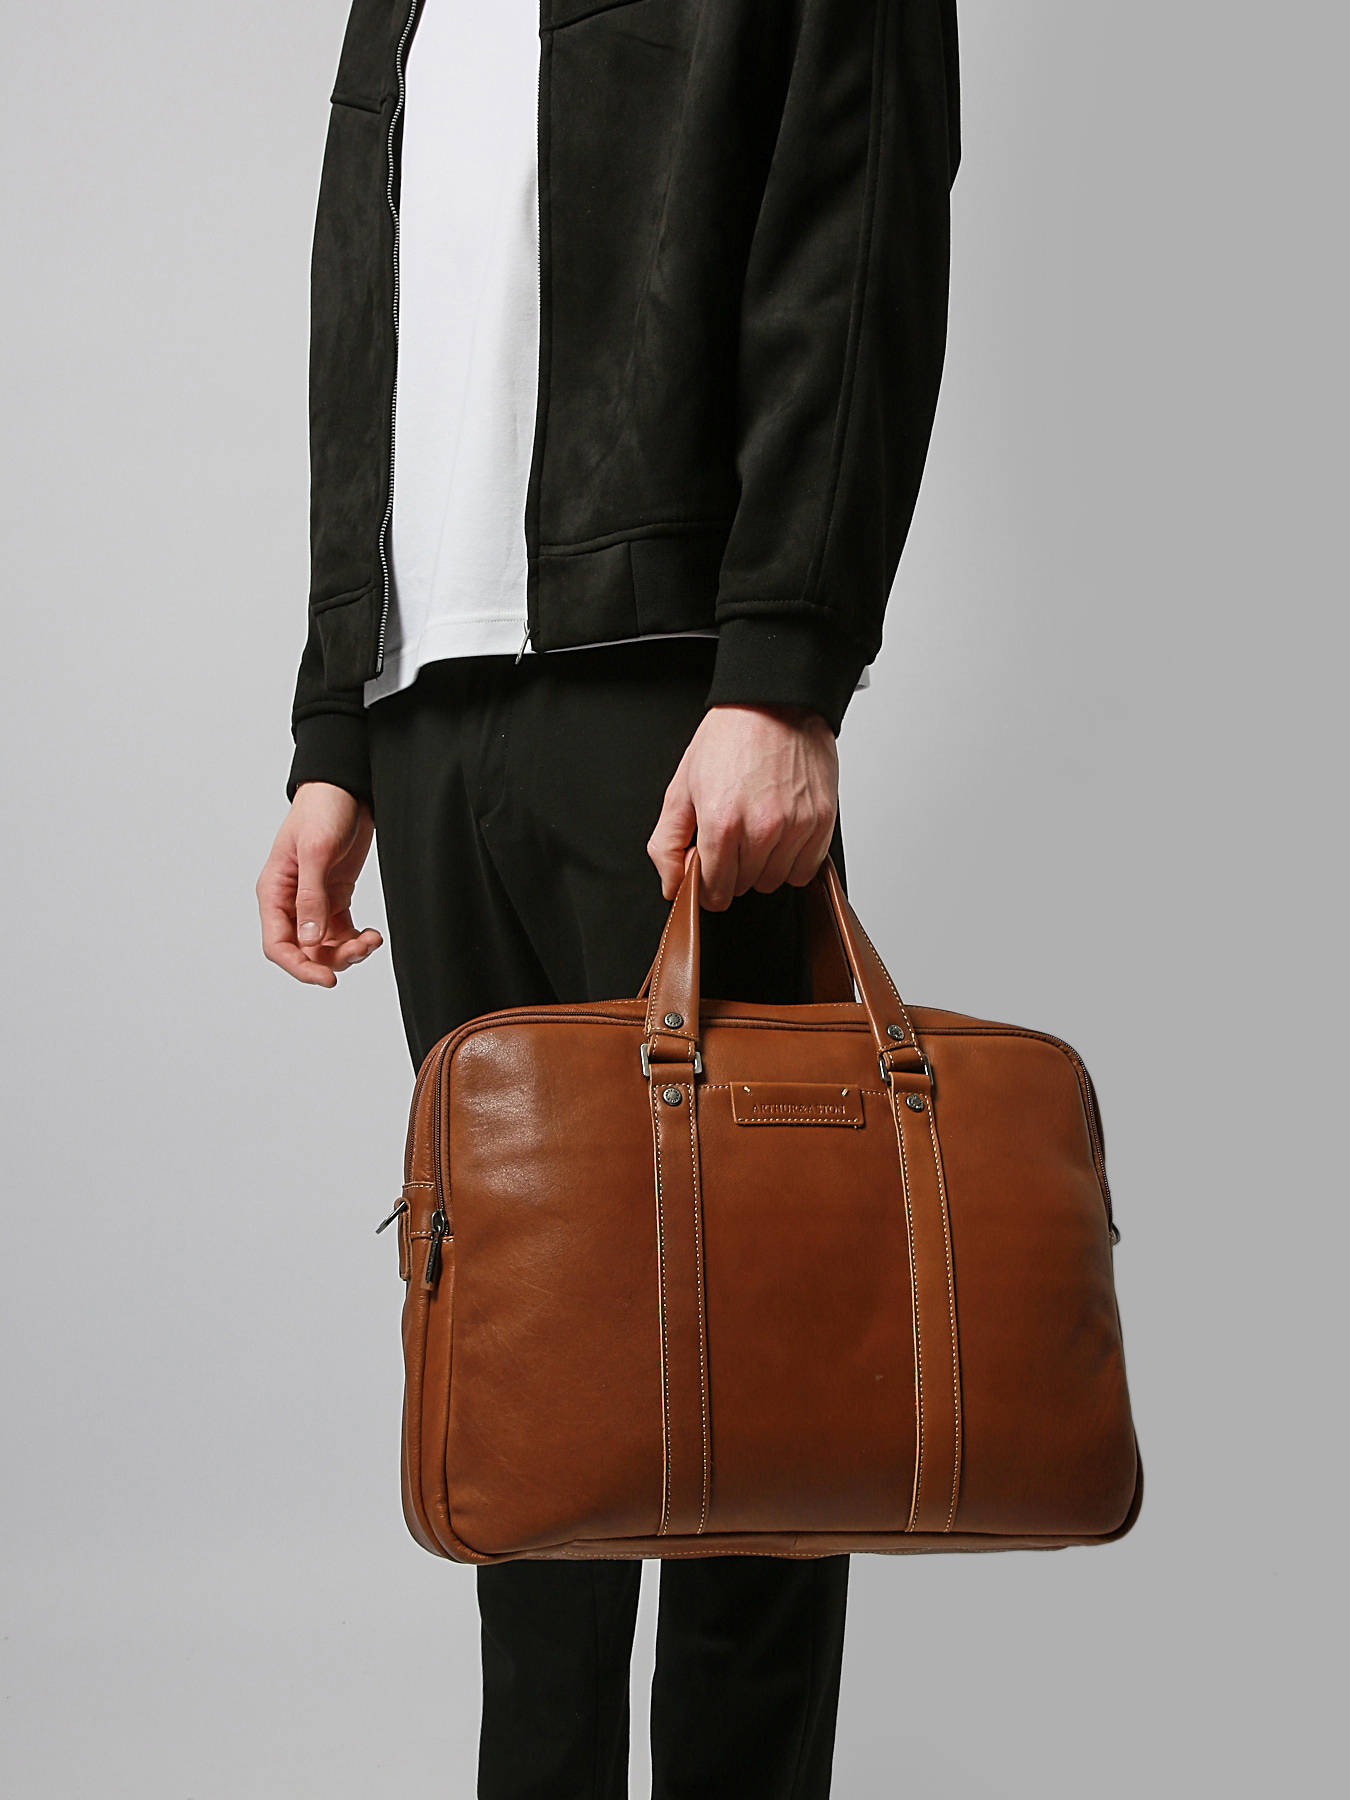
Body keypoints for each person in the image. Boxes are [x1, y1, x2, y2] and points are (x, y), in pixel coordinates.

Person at [256, 3, 960, 1794]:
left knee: (754, 1369)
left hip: (673, 688)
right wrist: (337, 722)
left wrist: (784, 669)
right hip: (430, 716)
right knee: (529, 1374)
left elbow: (855, 228)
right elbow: (368, 313)